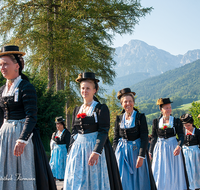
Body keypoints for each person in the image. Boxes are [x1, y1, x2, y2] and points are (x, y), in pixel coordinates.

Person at [0, 45, 56, 190]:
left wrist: (22, 139)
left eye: (5, 64)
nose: (2, 68)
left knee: (23, 172)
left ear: (17, 66)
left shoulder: (26, 87)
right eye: (0, 64)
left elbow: (31, 116)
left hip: (21, 137)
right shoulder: (2, 90)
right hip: (4, 136)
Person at [63, 72, 122, 190]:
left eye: (88, 88)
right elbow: (74, 131)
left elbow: (103, 131)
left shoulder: (101, 108)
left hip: (93, 150)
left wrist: (96, 151)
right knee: (76, 180)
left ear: (95, 90)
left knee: (93, 181)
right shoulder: (77, 109)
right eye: (82, 88)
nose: (85, 91)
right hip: (77, 151)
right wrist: (70, 151)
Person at [113, 88, 157, 190]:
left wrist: (141, 156)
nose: (128, 103)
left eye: (130, 101)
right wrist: (114, 154)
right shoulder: (119, 119)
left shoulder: (140, 117)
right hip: (122, 153)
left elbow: (144, 137)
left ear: (133, 102)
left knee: (139, 179)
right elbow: (116, 138)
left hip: (136, 152)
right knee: (123, 179)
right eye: (125, 101)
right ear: (121, 104)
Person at [149, 98, 189, 190]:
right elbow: (154, 137)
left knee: (174, 171)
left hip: (173, 148)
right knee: (160, 170)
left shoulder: (176, 121)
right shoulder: (156, 121)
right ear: (161, 109)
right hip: (160, 149)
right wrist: (150, 152)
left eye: (170, 107)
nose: (169, 110)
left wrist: (179, 146)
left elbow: (181, 136)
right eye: (166, 108)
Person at [180, 114, 200, 190]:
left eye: (188, 125)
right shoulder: (182, 131)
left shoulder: (197, 132)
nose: (186, 127)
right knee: (187, 170)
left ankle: (197, 186)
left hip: (195, 155)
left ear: (192, 123)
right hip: (185, 154)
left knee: (196, 171)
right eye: (185, 125)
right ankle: (189, 186)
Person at [49, 116, 71, 181]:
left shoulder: (66, 133)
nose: (57, 126)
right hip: (55, 153)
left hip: (63, 153)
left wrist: (68, 154)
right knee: (53, 167)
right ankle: (53, 185)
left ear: (62, 124)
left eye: (58, 124)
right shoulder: (56, 132)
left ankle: (64, 185)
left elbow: (68, 144)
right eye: (56, 124)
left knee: (63, 167)